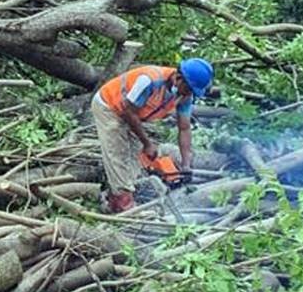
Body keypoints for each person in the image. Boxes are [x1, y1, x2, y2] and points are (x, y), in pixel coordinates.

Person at [91, 58, 214, 213]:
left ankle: (114, 192)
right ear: (178, 78)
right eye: (189, 89)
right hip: (109, 106)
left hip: (136, 115)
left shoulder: (185, 96)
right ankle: (122, 204)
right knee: (117, 152)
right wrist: (147, 143)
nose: (189, 94)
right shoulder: (149, 80)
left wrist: (186, 164)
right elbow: (128, 111)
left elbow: (184, 128)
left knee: (134, 157)